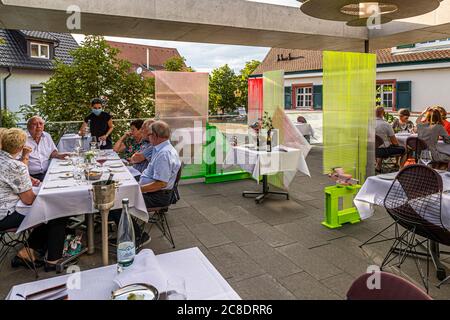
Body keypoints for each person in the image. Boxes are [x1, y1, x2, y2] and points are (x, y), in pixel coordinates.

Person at [0, 128, 67, 271]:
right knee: (57, 210)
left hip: (4, 207)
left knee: (45, 208)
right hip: (5, 216)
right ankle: (53, 260)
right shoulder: (15, 166)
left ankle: (27, 252)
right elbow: (28, 200)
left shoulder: (4, 159)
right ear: (21, 146)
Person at [26, 116, 69, 182]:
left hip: (47, 172)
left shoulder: (46, 136)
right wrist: (28, 178)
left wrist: (59, 155)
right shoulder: (23, 139)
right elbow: (17, 162)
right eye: (34, 124)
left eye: (41, 123)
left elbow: (52, 152)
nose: (38, 126)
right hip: (30, 176)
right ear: (28, 127)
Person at [375, 106, 405, 172]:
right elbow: (395, 142)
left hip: (371, 150)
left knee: (381, 146)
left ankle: (378, 166)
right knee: (404, 150)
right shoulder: (386, 125)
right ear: (383, 114)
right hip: (383, 151)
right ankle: (401, 169)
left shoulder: (369, 123)